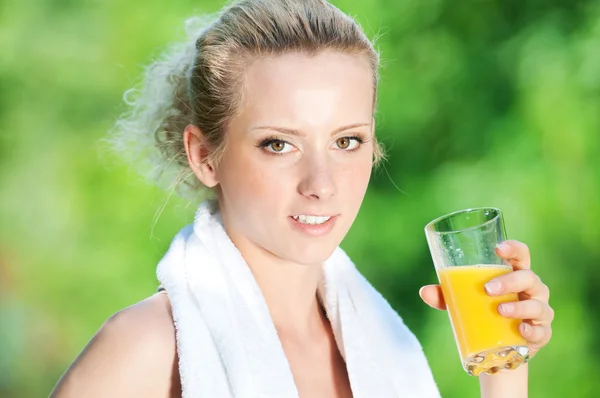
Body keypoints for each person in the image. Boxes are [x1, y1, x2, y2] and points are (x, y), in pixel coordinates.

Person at [50, 0, 554, 397]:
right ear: (205, 155)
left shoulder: (385, 345)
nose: (322, 183)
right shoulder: (146, 348)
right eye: (279, 144)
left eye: (346, 141)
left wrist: (503, 364)